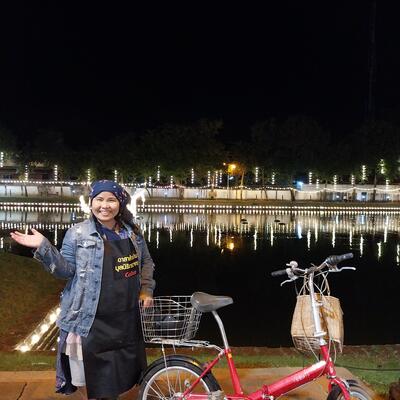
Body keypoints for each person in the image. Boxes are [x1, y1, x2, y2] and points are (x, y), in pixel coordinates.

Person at [11, 180, 155, 400]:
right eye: (99, 199)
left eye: (111, 200)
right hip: (89, 318)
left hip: (124, 317)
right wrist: (44, 247)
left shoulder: (132, 233)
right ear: (91, 202)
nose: (104, 205)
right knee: (88, 375)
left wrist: (146, 289)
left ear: (120, 204)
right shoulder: (77, 233)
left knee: (120, 372)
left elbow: (146, 262)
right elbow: (65, 271)